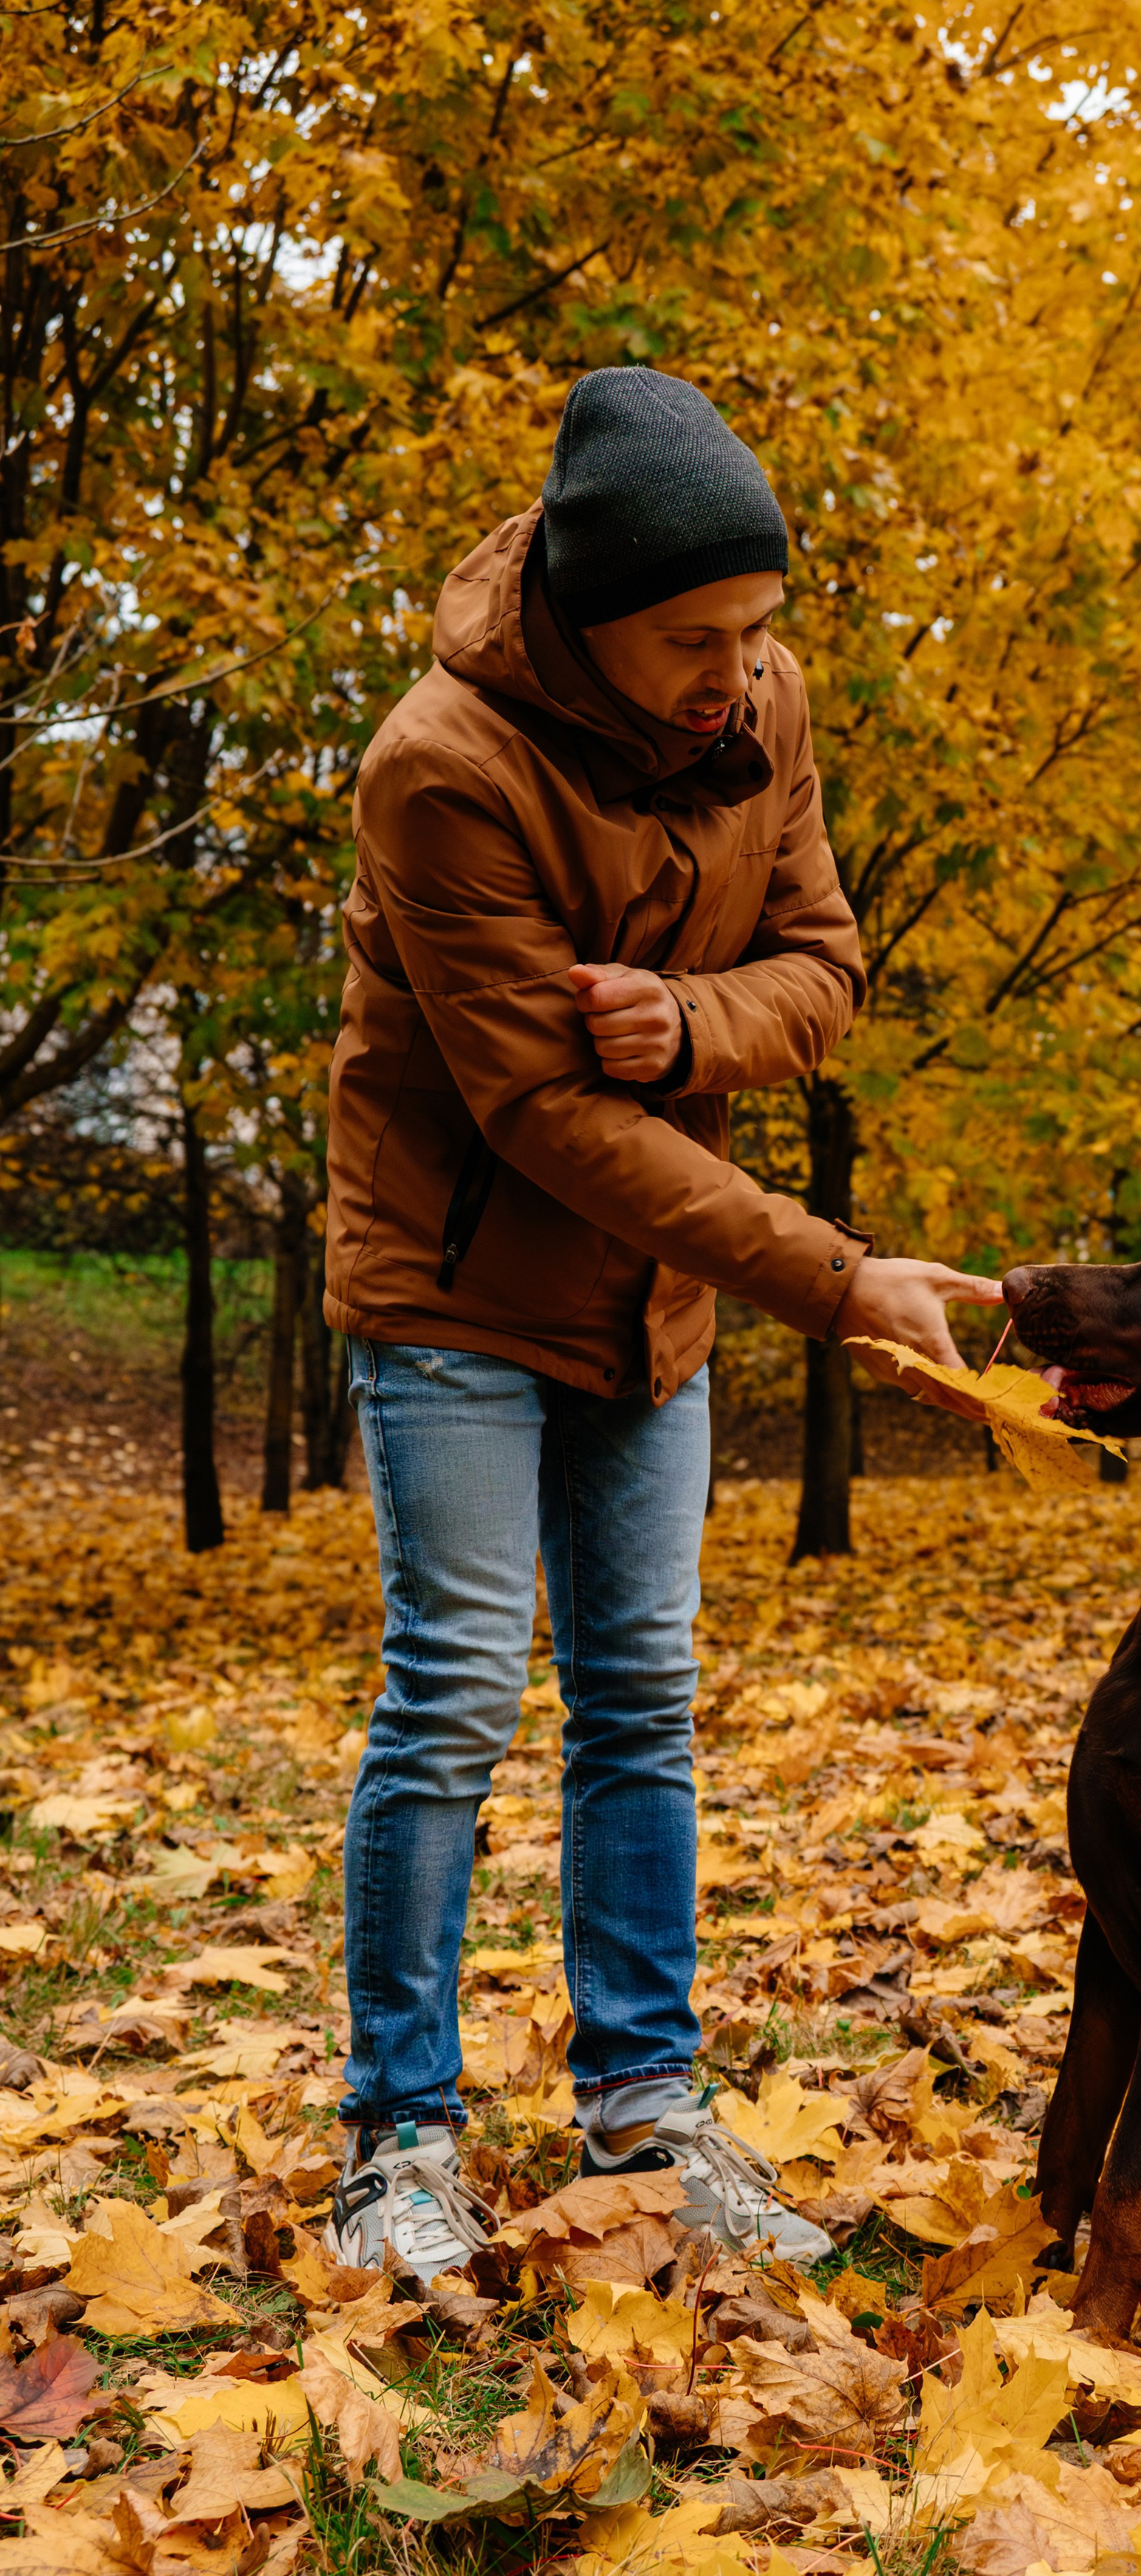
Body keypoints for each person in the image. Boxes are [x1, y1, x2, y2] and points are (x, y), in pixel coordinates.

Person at [319, 365, 998, 2281]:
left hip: (657, 1299)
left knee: (641, 1704)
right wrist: (835, 1273)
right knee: (452, 1693)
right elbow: (540, 1117)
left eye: (756, 633)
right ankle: (400, 2134)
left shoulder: (756, 703)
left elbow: (826, 965)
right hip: (457, 1285)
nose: (738, 675)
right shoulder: (440, 768)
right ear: (586, 617)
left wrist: (697, 1023)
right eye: (697, 638)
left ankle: (645, 2106)